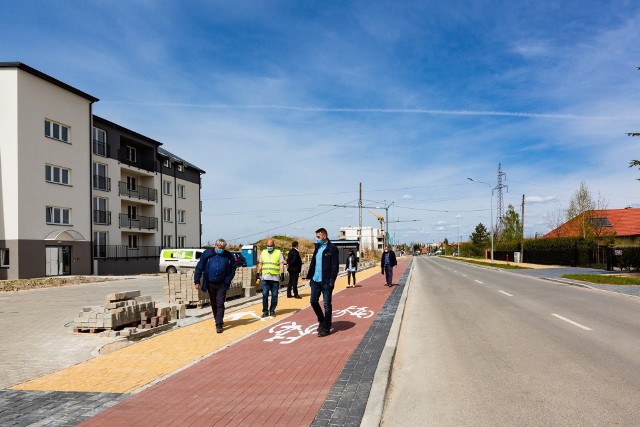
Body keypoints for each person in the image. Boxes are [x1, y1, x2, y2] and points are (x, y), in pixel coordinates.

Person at [194, 239, 236, 333]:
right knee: (214, 303)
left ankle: (219, 324)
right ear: (215, 246)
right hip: (210, 283)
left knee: (220, 303)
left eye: (223, 248)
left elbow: (233, 268)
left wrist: (228, 280)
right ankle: (217, 319)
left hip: (222, 283)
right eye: (219, 248)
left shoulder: (228, 255)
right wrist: (197, 281)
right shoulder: (207, 254)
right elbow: (199, 267)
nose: (221, 250)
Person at [306, 227, 339, 337]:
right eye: (316, 237)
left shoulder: (332, 248)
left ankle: (326, 327)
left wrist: (331, 281)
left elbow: (335, 266)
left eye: (318, 237)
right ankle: (322, 320)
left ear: (324, 236)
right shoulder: (318, 247)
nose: (317, 239)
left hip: (326, 281)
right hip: (315, 280)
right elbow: (313, 264)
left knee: (326, 305)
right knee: (313, 301)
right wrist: (311, 278)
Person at [257, 238, 285, 318]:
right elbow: (260, 263)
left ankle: (272, 310)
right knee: (265, 294)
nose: (269, 247)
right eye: (268, 246)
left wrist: (282, 273)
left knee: (274, 295)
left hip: (275, 278)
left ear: (274, 245)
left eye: (271, 246)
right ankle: (265, 311)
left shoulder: (278, 252)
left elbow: (281, 264)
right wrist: (258, 273)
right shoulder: (263, 252)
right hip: (265, 277)